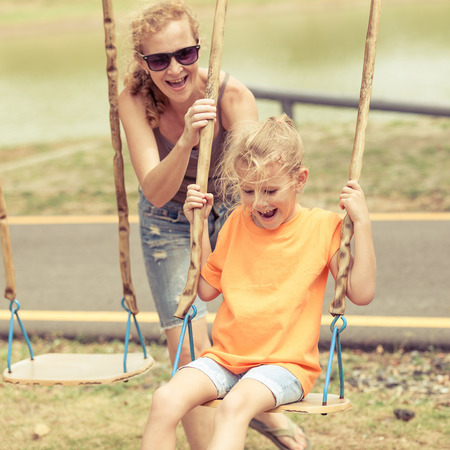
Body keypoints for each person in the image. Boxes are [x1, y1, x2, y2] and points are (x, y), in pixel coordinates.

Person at [119, 1, 306, 448]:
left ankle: (260, 410)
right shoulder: (134, 99)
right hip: (167, 218)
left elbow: (256, 180)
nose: (176, 69)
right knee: (186, 343)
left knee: (249, 320)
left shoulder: (232, 97)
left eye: (185, 54)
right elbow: (155, 190)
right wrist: (186, 139)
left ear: (199, 48)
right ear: (144, 63)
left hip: (230, 207)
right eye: (160, 60)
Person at [140, 114, 377, 450]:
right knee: (165, 398)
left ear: (300, 180)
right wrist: (200, 226)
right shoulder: (237, 222)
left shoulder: (323, 228)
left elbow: (362, 292)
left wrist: (362, 223)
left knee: (235, 407)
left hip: (285, 365)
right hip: (225, 359)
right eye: (248, 191)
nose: (259, 202)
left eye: (270, 190)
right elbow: (206, 289)